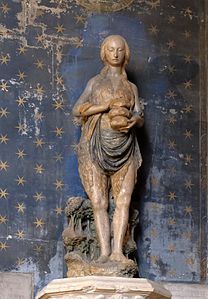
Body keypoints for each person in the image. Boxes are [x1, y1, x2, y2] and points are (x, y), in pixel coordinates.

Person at [72, 35, 144, 263]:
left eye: (119, 50)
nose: (115, 54)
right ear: (104, 53)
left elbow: (139, 114)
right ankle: (104, 253)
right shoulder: (95, 82)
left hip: (125, 144)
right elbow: (77, 110)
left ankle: (117, 253)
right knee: (99, 202)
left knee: (124, 200)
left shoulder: (131, 86)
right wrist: (104, 107)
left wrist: (135, 120)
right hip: (96, 144)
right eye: (111, 49)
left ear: (125, 53)